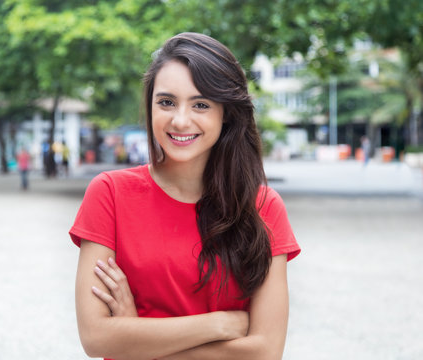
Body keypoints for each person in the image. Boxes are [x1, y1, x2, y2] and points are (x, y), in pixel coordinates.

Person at [70, 32, 301, 360]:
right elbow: (96, 338)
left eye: (201, 105)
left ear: (227, 113)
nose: (180, 120)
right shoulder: (109, 194)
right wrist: (218, 324)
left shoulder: (263, 208)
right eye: (166, 102)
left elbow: (264, 352)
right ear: (150, 105)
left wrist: (137, 335)